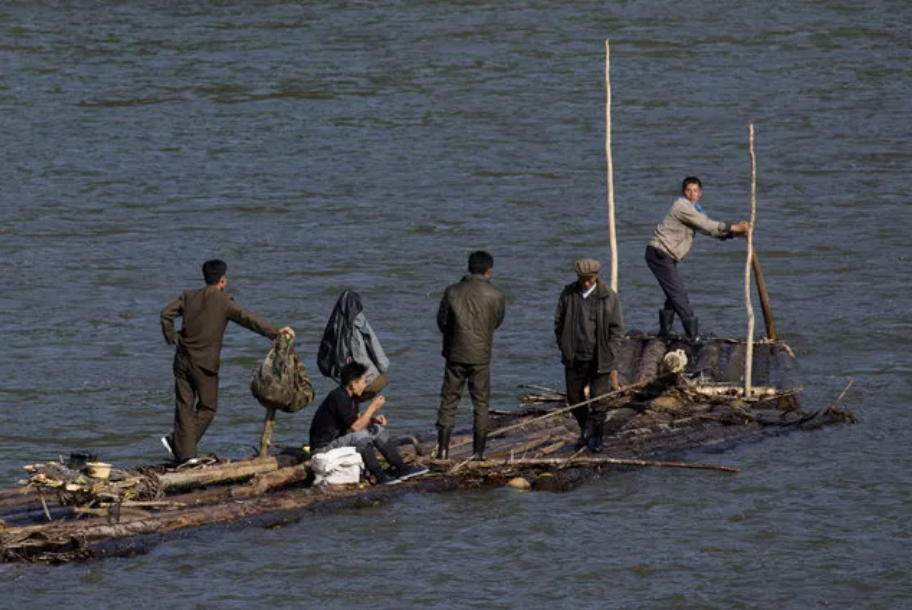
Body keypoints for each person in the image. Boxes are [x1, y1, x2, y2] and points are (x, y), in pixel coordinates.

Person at [160, 259, 294, 463]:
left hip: (182, 360)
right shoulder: (224, 301)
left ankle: (183, 450)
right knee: (207, 408)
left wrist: (173, 338)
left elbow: (165, 314)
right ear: (222, 280)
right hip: (204, 364)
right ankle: (182, 448)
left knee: (184, 407)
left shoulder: (188, 296)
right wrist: (276, 333)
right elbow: (248, 319)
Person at [645, 176, 749, 341]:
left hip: (666, 256)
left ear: (700, 193)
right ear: (683, 192)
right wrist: (734, 226)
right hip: (659, 253)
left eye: (695, 191)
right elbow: (707, 224)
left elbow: (710, 230)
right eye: (688, 190)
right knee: (679, 294)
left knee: (673, 293)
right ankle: (693, 336)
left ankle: (664, 333)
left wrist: (734, 234)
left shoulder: (695, 210)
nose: (692, 194)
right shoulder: (681, 206)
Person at [435, 251, 506, 460]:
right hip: (481, 356)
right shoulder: (497, 295)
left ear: (469, 267)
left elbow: (442, 322)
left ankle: (443, 450)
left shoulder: (452, 292)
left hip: (455, 354)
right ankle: (478, 453)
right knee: (481, 403)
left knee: (448, 401)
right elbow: (496, 322)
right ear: (489, 270)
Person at [309, 362, 427, 484]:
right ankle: (379, 476)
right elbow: (356, 427)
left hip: (338, 442)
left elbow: (355, 421)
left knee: (376, 428)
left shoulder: (350, 397)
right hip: (323, 449)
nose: (365, 386)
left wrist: (373, 419)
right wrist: (372, 407)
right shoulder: (339, 397)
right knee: (361, 435)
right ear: (354, 384)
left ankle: (401, 468)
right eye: (363, 382)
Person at [554, 258, 625, 452]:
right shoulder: (568, 294)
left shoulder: (609, 297)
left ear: (596, 277)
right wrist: (564, 346)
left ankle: (597, 435)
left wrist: (610, 351)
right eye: (582, 279)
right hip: (574, 356)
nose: (586, 283)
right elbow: (558, 323)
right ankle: (586, 427)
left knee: (599, 400)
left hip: (600, 356)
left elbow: (617, 330)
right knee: (573, 398)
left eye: (589, 279)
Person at [317, 290, 389, 402]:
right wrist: (383, 365)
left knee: (349, 405)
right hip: (369, 379)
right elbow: (371, 338)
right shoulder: (358, 319)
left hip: (350, 381)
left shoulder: (334, 323)